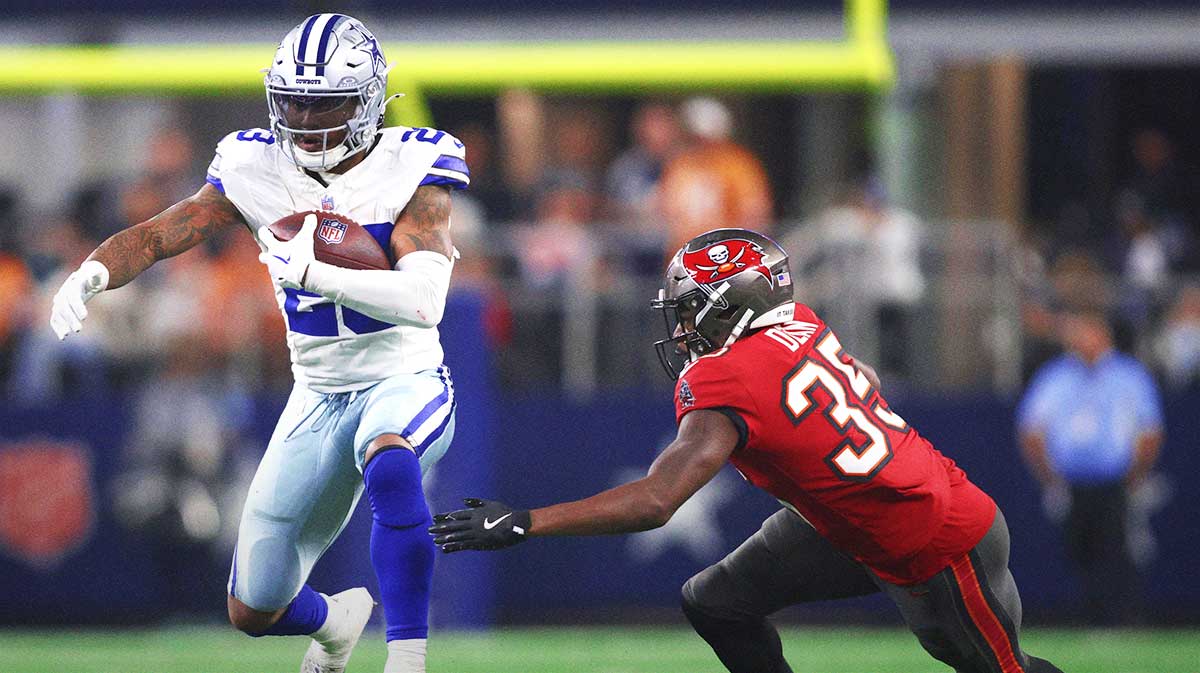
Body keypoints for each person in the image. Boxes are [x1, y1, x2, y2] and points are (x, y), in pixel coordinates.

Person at [430, 228, 1062, 673]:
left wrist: (527, 521)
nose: (682, 327)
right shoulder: (801, 319)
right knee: (717, 601)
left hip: (932, 537)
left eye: (690, 311)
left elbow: (657, 501)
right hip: (850, 518)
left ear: (733, 305)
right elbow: (864, 376)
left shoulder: (725, 374)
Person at [48, 14, 468, 673]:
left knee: (390, 457)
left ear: (366, 101)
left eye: (325, 103)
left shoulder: (413, 163)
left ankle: (407, 656)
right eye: (294, 101)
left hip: (403, 375)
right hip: (317, 392)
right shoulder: (254, 164)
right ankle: (334, 621)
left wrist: (316, 273)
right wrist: (92, 272)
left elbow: (424, 301)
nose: (305, 118)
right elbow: (160, 234)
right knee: (253, 607)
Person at [1017, 306, 1164, 625]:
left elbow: (1150, 430)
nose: (1079, 339)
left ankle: (1122, 619)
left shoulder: (1129, 375)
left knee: (1117, 550)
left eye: (1086, 331)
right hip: (1072, 483)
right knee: (1078, 551)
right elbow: (1031, 429)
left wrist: (1135, 475)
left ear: (1103, 334)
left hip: (1115, 482)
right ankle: (1088, 618)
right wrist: (1050, 478)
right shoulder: (1056, 376)